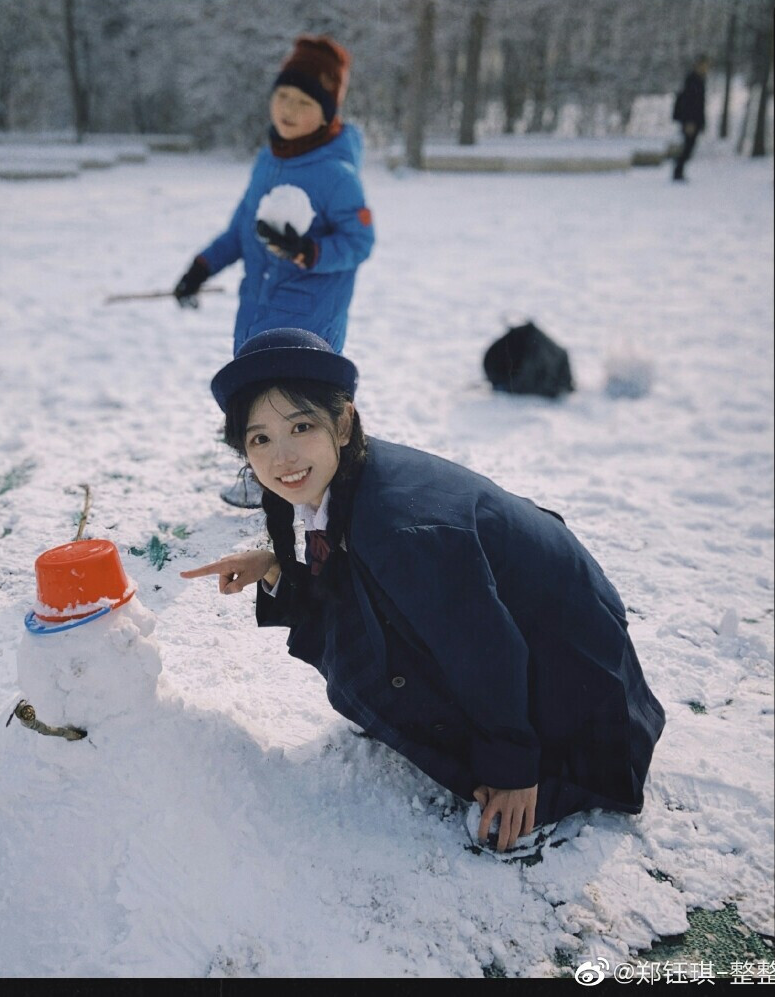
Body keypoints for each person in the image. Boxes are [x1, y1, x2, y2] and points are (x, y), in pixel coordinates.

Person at [180, 328, 667, 854]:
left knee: (384, 667)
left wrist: (515, 768)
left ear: (342, 423)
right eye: (260, 439)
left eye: (301, 425)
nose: (283, 457)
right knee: (363, 638)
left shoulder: (400, 529)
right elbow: (356, 587)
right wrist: (275, 566)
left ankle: (549, 785)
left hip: (582, 697)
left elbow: (484, 648)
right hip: (546, 643)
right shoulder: (353, 476)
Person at [173, 35, 375, 509]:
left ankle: (323, 475)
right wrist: (202, 266)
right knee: (260, 401)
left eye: (303, 101)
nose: (287, 108)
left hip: (309, 314)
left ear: (326, 112)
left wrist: (307, 251)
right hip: (258, 308)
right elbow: (242, 227)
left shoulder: (337, 175)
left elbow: (358, 242)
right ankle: (267, 471)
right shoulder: (270, 159)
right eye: (283, 95)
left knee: (295, 406)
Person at [672, 54, 709, 182]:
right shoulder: (692, 80)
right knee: (688, 146)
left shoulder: (700, 80)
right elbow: (688, 103)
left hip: (695, 120)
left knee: (689, 146)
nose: (705, 68)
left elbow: (700, 104)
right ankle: (677, 171)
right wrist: (689, 122)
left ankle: (679, 170)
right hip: (690, 121)